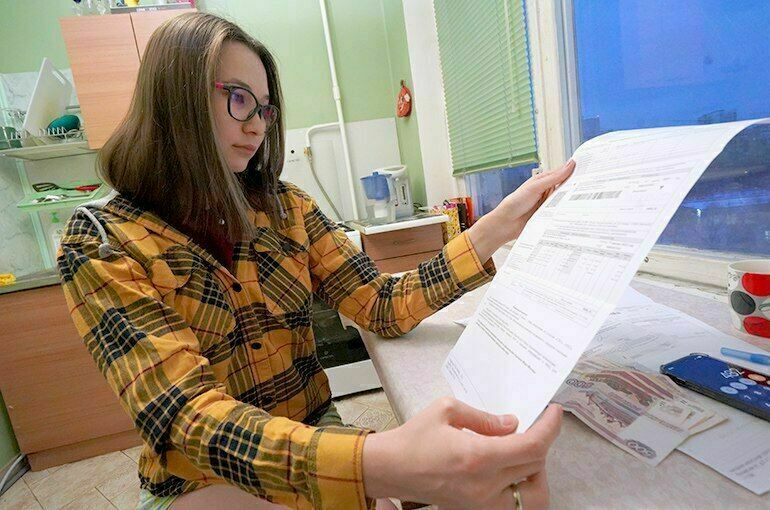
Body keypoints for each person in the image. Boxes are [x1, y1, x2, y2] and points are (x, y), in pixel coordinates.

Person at [58, 12, 573, 510]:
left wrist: (498, 225)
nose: (257, 126)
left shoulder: (287, 208)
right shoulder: (102, 243)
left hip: (311, 431)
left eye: (265, 109)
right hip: (197, 480)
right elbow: (185, 419)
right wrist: (378, 464)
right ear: (176, 97)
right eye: (239, 99)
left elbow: (382, 305)